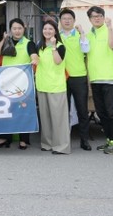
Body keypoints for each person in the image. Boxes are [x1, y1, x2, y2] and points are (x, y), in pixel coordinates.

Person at [0, 18, 38, 150]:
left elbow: (34, 56)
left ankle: (24, 139)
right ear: (10, 30)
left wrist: (34, 60)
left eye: (19, 28)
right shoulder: (7, 41)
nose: (17, 31)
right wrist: (3, 39)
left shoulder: (29, 43)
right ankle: (4, 137)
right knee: (6, 109)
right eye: (14, 28)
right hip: (6, 82)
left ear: (24, 29)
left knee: (23, 110)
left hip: (23, 83)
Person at [85, 6, 113, 155]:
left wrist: (110, 27)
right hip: (95, 79)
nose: (97, 18)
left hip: (110, 78)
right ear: (90, 19)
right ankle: (109, 139)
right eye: (94, 16)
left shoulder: (111, 32)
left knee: (112, 112)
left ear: (103, 17)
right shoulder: (88, 36)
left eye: (99, 16)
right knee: (101, 112)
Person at [34, 19, 70, 155]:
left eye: (50, 29)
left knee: (58, 118)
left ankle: (61, 146)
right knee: (45, 117)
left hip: (56, 86)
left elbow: (57, 61)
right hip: (42, 85)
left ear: (55, 31)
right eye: (45, 29)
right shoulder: (40, 45)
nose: (47, 31)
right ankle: (47, 143)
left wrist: (54, 46)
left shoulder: (60, 46)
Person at [58, 8, 91, 151]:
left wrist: (82, 33)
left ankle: (84, 140)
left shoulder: (80, 35)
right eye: (64, 19)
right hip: (61, 77)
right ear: (60, 21)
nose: (67, 21)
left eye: (69, 19)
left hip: (79, 76)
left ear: (74, 20)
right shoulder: (56, 37)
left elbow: (86, 49)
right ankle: (64, 140)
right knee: (63, 110)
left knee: (82, 110)